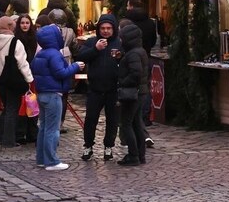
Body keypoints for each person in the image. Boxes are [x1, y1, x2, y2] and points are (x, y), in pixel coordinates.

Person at [31, 24, 84, 171]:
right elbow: (60, 73)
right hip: (53, 94)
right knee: (52, 129)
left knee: (43, 127)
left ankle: (41, 159)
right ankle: (52, 161)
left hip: (42, 94)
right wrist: (75, 67)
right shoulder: (54, 54)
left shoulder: (40, 54)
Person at [76, 14, 122, 161]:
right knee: (90, 119)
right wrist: (96, 49)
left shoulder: (119, 43)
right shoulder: (91, 42)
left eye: (109, 28)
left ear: (114, 29)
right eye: (103, 28)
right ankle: (88, 146)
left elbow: (126, 60)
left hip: (113, 89)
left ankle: (108, 147)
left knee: (112, 120)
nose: (106, 31)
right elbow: (81, 56)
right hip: (95, 88)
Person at [0, 16, 34, 148]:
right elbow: (22, 64)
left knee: (6, 108)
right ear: (10, 27)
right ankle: (8, 141)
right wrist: (29, 79)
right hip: (12, 79)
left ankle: (1, 138)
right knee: (12, 109)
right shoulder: (15, 42)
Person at [126, 0, 157, 146]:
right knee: (146, 87)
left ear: (130, 7)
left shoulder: (128, 22)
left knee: (133, 85)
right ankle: (145, 116)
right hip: (147, 56)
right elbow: (152, 40)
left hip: (131, 56)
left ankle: (132, 116)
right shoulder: (150, 22)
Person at [117, 24, 148, 166]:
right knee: (136, 123)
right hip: (140, 92)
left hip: (133, 93)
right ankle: (140, 155)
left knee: (127, 124)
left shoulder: (133, 53)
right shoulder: (138, 51)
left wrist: (123, 81)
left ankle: (133, 155)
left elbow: (136, 73)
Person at [15, 14, 38, 143]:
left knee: (32, 104)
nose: (24, 25)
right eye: (22, 23)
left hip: (32, 74)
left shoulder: (34, 38)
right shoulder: (16, 39)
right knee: (22, 106)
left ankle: (32, 132)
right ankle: (20, 133)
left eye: (27, 23)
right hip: (22, 76)